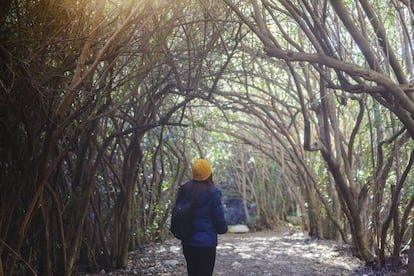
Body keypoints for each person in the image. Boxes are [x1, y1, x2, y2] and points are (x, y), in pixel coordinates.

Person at [179, 158, 227, 276]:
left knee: (192, 272)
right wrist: (223, 229)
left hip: (188, 242)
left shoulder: (184, 189)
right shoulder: (213, 193)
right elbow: (218, 219)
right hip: (207, 243)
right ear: (209, 173)